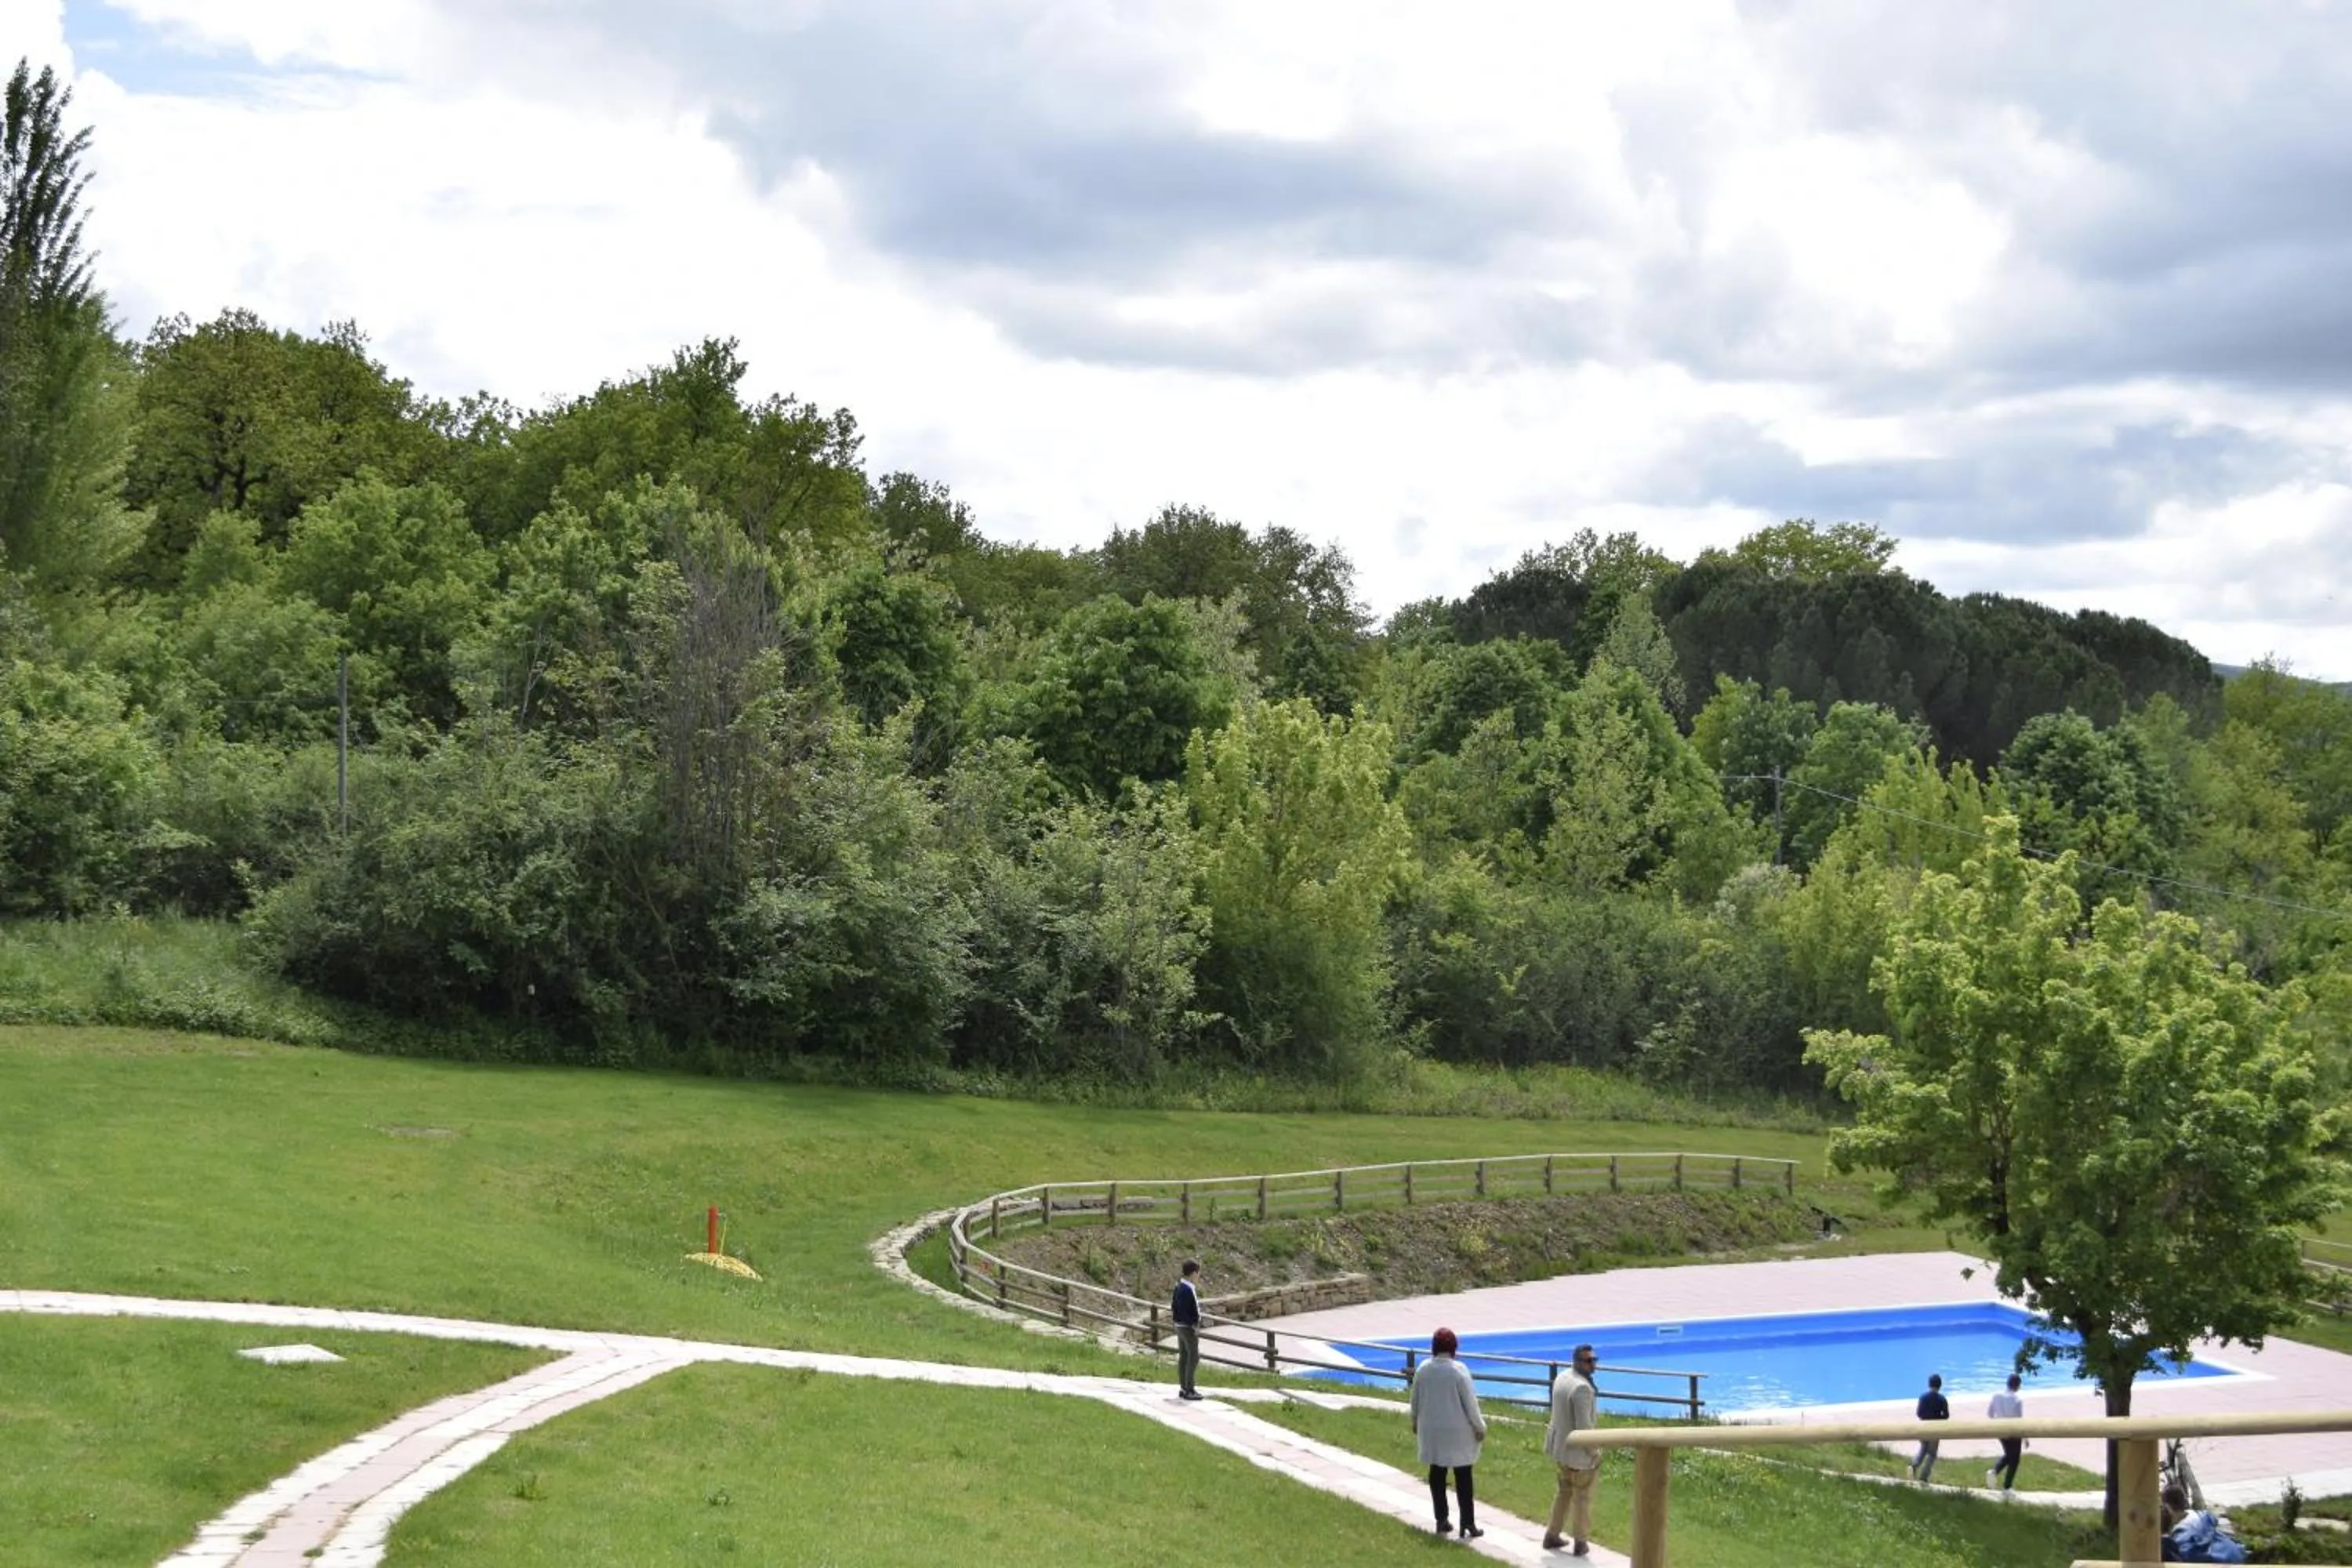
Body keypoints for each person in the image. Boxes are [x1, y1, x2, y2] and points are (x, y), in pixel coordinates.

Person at [1410, 1326, 1488, 1539]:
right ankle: (1467, 1522)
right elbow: (1471, 1404)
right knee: (1463, 1477)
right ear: (1454, 1348)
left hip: (1432, 1430)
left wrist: (1414, 1421)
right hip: (1458, 1431)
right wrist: (1480, 1427)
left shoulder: (1423, 1369)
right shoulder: (1458, 1370)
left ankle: (1441, 1519)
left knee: (1437, 1473)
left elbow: (1414, 1400)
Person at [1542, 1342, 1601, 1555]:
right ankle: (1581, 1541)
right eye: (1588, 1361)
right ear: (1578, 1362)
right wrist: (1595, 1452)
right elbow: (1584, 1427)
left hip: (1560, 1449)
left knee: (1564, 1492)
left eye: (1594, 1360)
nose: (1592, 1365)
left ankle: (1552, 1534)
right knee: (1582, 1497)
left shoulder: (1563, 1377)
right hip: (1578, 1454)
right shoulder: (1582, 1389)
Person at [1985, 1373, 2024, 1490]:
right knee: (2015, 1459)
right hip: (2013, 1431)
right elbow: (2019, 1419)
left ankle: (1994, 1472)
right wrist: (2025, 1436)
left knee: (2009, 1455)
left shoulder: (1996, 1396)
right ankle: (2007, 1486)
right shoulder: (2017, 1400)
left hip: (2000, 1429)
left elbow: (1990, 1414)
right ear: (2017, 1386)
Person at [1171, 1259, 1203, 1400]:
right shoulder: (1188, 1289)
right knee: (1193, 1357)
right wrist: (1194, 1325)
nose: (1199, 1276)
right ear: (1193, 1273)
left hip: (1179, 1325)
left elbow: (1174, 1306)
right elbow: (1190, 1310)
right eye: (1198, 1273)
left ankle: (1183, 1387)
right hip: (1187, 1327)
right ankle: (1189, 1388)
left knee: (1184, 1357)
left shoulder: (1179, 1286)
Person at [1908, 1372, 1949, 1481]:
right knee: (1932, 1454)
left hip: (1923, 1427)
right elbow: (1946, 1416)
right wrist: (1938, 1418)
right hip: (1935, 1429)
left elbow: (1919, 1413)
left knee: (1923, 1450)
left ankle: (1913, 1466)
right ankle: (1924, 1476)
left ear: (1929, 1384)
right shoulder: (1942, 1399)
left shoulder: (1923, 1398)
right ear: (1940, 1385)